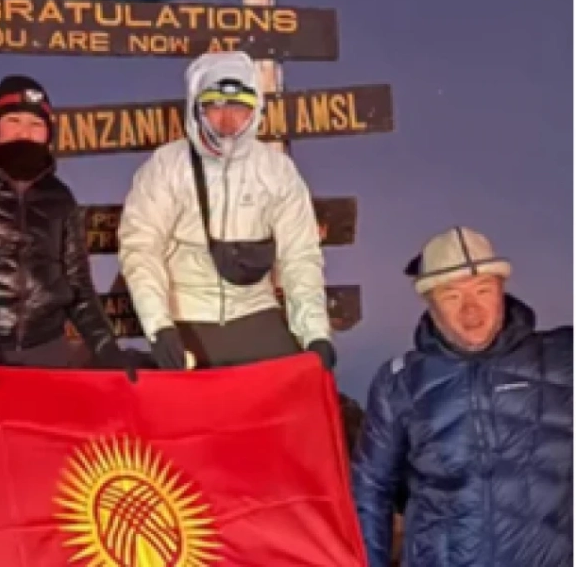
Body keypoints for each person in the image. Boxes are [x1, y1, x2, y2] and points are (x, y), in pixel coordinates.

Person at [352, 226, 572, 567]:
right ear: (430, 303)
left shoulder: (563, 358)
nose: (471, 311)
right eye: (452, 297)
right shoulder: (400, 382)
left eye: (483, 290)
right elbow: (370, 489)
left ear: (502, 290)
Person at [118, 50, 335, 371]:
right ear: (198, 108)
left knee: (294, 385)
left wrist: (315, 334)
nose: (228, 119)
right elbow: (141, 247)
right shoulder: (166, 167)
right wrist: (159, 326)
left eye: (239, 107)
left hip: (255, 311)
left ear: (255, 110)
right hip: (187, 314)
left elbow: (299, 255)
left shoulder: (277, 171)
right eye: (215, 106)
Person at [0, 75, 130, 398]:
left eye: (35, 124)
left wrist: (105, 346)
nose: (24, 132)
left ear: (48, 135)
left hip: (47, 353)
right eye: (13, 121)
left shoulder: (60, 197)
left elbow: (78, 284)